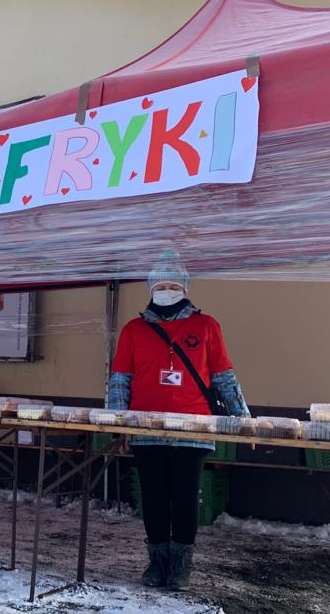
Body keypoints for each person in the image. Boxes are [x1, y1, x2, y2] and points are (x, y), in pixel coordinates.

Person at [107, 249, 249, 591]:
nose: (166, 290)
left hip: (194, 428)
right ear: (150, 288)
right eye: (160, 285)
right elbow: (120, 380)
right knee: (153, 497)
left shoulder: (206, 325)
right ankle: (157, 563)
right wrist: (117, 425)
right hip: (145, 428)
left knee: (185, 498)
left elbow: (223, 377)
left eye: (173, 285)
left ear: (184, 287)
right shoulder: (133, 330)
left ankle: (181, 565)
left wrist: (243, 418)